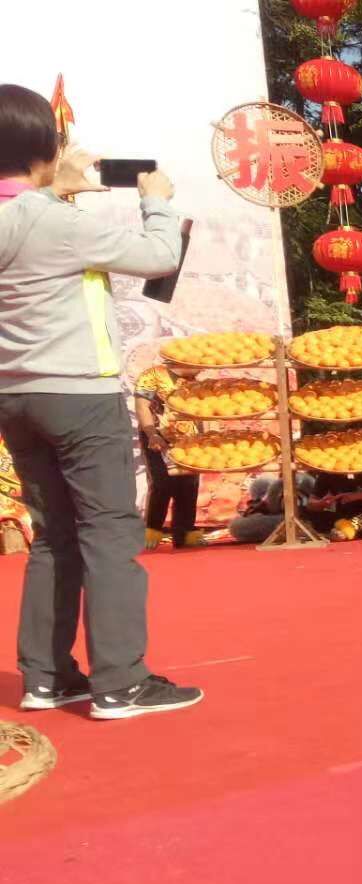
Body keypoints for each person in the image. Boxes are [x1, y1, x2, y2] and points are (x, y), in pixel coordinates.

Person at [0, 84, 202, 719]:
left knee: (52, 537)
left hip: (14, 395)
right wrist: (156, 201)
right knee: (110, 532)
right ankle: (121, 682)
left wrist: (51, 189)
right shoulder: (53, 222)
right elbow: (159, 254)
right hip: (78, 393)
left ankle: (48, 676)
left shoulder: (32, 214)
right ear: (45, 148)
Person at [132, 367, 205, 550]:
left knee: (189, 485)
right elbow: (142, 406)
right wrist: (151, 433)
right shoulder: (153, 374)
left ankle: (185, 533)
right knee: (162, 484)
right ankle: (153, 529)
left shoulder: (194, 378)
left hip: (188, 438)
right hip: (157, 435)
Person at [228, 469, 362, 544]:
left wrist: (356, 496)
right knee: (302, 513)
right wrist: (322, 504)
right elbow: (312, 503)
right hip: (338, 520)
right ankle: (316, 530)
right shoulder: (327, 473)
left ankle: (350, 528)